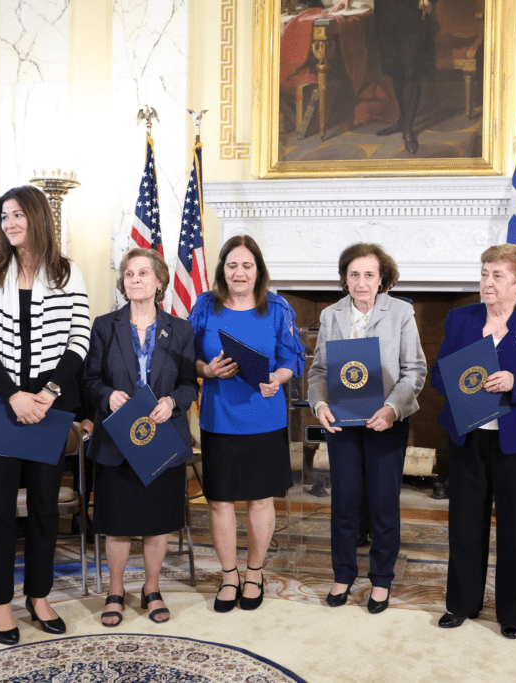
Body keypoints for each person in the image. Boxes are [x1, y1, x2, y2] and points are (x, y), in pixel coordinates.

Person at [0, 185, 90, 645]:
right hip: (0, 402)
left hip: (50, 405)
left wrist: (49, 392)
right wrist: (14, 393)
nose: (10, 222)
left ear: (38, 217)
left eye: (18, 214)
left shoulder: (68, 272)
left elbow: (80, 337)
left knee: (44, 507)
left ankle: (39, 595)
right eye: (4, 216)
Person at [430, 244, 516, 639]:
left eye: (497, 276)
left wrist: (514, 383)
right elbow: (438, 374)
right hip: (468, 436)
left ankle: (515, 614)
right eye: (484, 273)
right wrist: (457, 383)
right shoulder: (460, 318)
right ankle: (462, 604)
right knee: (465, 524)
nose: (487, 282)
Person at [309, 242, 427, 614]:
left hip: (386, 423)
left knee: (383, 505)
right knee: (343, 503)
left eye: (369, 275)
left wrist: (393, 409)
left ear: (382, 280)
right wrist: (320, 403)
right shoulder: (330, 315)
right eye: (354, 274)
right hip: (343, 424)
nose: (361, 282)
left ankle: (381, 581)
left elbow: (415, 371)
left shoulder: (402, 313)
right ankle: (343, 574)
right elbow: (319, 372)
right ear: (345, 278)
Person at [190, 235, 305, 613]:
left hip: (265, 417)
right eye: (232, 265)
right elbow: (183, 356)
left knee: (260, 498)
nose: (239, 272)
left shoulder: (276, 307)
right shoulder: (205, 306)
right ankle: (228, 576)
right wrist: (205, 369)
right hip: (219, 418)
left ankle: (253, 573)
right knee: (220, 500)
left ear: (258, 270)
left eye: (247, 265)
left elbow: (293, 358)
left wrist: (279, 378)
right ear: (222, 269)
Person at [83, 248, 197, 626]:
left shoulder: (179, 329)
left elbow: (188, 386)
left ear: (159, 282)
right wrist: (106, 395)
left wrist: (172, 402)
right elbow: (89, 381)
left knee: (156, 521)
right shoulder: (104, 326)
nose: (135, 279)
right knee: (117, 521)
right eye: (129, 274)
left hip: (161, 437)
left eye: (143, 273)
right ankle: (116, 591)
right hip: (117, 441)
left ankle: (152, 589)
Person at [331, 0, 437, 154]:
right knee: (396, 70)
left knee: (411, 70)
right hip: (385, 14)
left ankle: (408, 130)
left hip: (412, 11)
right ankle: (401, 121)